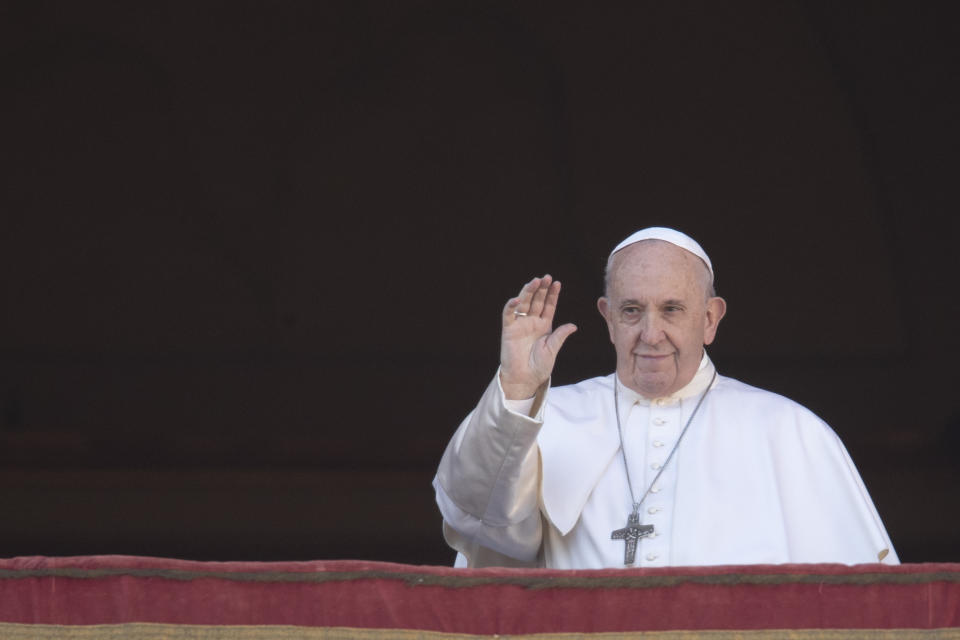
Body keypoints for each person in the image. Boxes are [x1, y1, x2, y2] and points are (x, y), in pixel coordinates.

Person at [434, 227, 898, 569]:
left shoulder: (791, 433)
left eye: (672, 309)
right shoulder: (548, 418)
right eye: (632, 310)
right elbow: (477, 527)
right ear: (608, 318)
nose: (650, 334)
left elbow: (861, 606)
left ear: (711, 319)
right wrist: (516, 390)